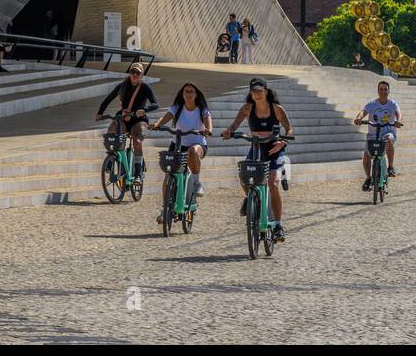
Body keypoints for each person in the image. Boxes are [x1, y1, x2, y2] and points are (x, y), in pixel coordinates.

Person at [222, 77, 293, 242]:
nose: (257, 94)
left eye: (260, 91)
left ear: (266, 92)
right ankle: (250, 197)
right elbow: (234, 125)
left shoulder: (276, 109)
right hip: (256, 149)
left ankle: (278, 225)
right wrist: (229, 131)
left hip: (275, 150)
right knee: (243, 177)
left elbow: (289, 128)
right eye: (253, 91)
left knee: (273, 184)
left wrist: (284, 140)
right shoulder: (247, 109)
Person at [152, 82, 213, 221]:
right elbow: (166, 116)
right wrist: (157, 124)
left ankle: (197, 183)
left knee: (192, 151)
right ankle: (165, 208)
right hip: (178, 143)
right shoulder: (177, 107)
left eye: (191, 91)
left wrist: (208, 130)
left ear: (196, 94)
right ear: (182, 93)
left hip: (197, 145)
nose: (189, 94)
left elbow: (208, 120)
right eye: (186, 91)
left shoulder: (202, 108)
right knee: (168, 176)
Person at [95, 62, 157, 177]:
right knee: (111, 133)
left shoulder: (145, 87)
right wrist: (100, 113)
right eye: (132, 72)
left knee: (137, 141)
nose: (134, 74)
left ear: (141, 75)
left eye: (137, 73)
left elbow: (155, 104)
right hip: (123, 117)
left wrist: (145, 110)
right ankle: (111, 158)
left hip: (138, 119)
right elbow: (108, 98)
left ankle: (138, 171)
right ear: (129, 73)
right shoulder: (122, 86)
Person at [355, 80, 403, 191]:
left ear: (389, 91)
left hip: (387, 132)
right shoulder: (372, 104)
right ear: (378, 91)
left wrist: (398, 121)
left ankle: (390, 167)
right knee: (367, 155)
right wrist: (359, 118)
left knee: (389, 140)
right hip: (373, 134)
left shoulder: (392, 104)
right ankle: (368, 178)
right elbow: (363, 111)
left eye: (385, 89)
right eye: (381, 89)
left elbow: (398, 114)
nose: (383, 91)